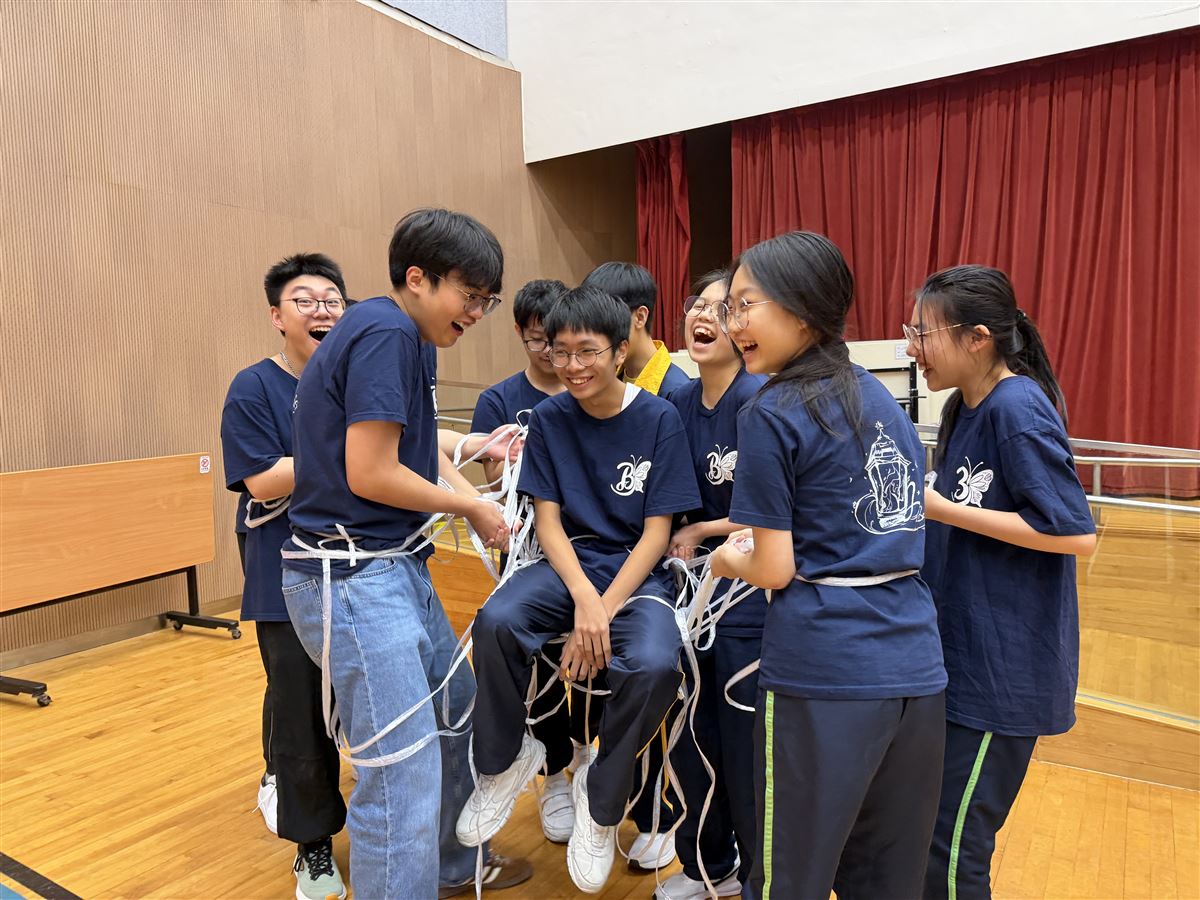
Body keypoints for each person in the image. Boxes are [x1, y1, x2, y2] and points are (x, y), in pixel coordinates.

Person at [279, 209, 531, 900]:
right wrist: (472, 508)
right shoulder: (386, 332)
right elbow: (371, 474)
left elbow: (411, 451)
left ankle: (447, 864)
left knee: (456, 713)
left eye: (486, 301)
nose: (476, 313)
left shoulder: (410, 336)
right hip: (352, 576)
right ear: (417, 278)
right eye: (469, 296)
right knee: (400, 773)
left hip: (391, 564)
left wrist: (473, 470)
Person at [709, 231, 947, 900]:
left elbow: (774, 569)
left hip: (826, 669)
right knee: (888, 878)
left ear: (801, 308)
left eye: (745, 304)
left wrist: (729, 560)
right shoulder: (880, 398)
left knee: (791, 875)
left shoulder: (770, 411)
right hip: (916, 666)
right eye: (729, 307)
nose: (733, 323)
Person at [458, 285, 701, 894]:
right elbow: (547, 522)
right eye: (560, 351)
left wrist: (603, 608)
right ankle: (506, 758)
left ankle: (602, 801)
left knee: (654, 663)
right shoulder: (547, 419)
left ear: (619, 351)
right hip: (568, 564)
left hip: (638, 572)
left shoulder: (660, 418)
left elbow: (657, 533)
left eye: (587, 351)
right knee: (497, 621)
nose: (572, 365)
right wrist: (586, 602)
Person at [907, 265, 1096, 900]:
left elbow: (1074, 533)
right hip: (959, 659)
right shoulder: (962, 407)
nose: (913, 349)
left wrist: (942, 509)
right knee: (933, 840)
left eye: (925, 334)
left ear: (977, 338)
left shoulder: (1017, 408)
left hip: (1002, 675)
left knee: (952, 851)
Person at [220, 252, 349, 900]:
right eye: (306, 299)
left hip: (360, 566)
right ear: (277, 315)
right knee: (300, 706)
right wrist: (348, 450)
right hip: (284, 567)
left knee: (359, 702)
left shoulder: (357, 382)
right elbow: (263, 480)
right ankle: (313, 847)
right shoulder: (253, 387)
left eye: (332, 299)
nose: (322, 309)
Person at [656, 269, 768, 900]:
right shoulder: (676, 403)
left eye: (721, 309)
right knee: (689, 736)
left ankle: (757, 877)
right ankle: (707, 867)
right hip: (684, 590)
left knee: (742, 745)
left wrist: (702, 529)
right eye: (697, 305)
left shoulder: (760, 400)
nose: (703, 316)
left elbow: (772, 508)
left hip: (747, 594)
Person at [580, 260, 690, 867]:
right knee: (618, 685)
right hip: (609, 571)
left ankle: (660, 815)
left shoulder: (673, 392)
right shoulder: (601, 389)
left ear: (637, 318)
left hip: (668, 570)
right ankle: (623, 804)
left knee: (659, 689)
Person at [582, 261, 691, 398]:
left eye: (604, 320)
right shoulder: (608, 379)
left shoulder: (677, 393)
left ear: (640, 317)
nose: (594, 335)